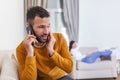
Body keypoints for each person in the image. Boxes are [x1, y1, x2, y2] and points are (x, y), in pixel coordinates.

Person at [16, 6, 73, 80]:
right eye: (41, 27)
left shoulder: (59, 38)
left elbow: (69, 68)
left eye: (48, 26)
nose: (46, 32)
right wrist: (30, 53)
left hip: (61, 77)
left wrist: (51, 52)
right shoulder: (22, 49)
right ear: (29, 27)